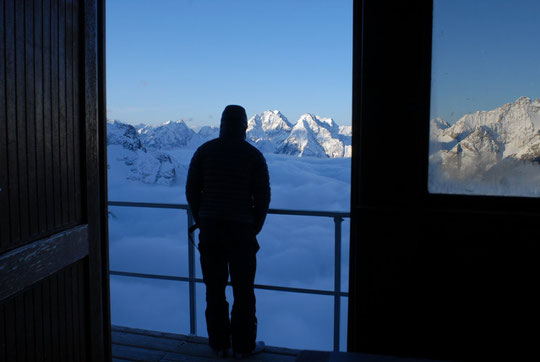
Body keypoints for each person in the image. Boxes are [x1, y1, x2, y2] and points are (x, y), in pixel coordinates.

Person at [186, 105, 271, 359]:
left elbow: (191, 190)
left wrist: (203, 218)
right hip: (242, 232)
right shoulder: (254, 156)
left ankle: (220, 344)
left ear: (221, 124)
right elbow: (263, 197)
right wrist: (253, 226)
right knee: (243, 292)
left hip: (210, 233)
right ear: (244, 126)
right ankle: (244, 347)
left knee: (214, 289)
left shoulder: (204, 151)